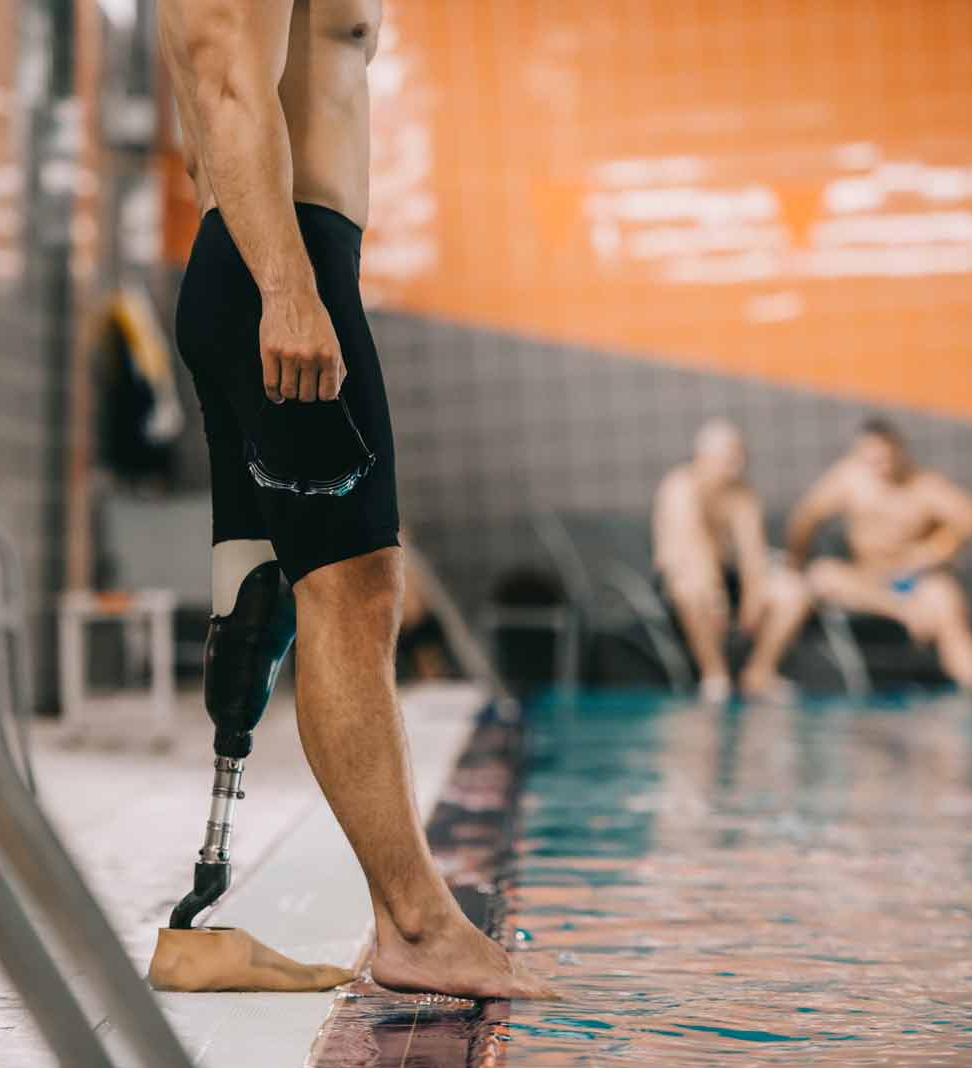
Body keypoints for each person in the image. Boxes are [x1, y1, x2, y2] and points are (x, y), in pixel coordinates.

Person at [157, 0, 552, 999]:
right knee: (359, 589)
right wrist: (287, 289)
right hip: (277, 264)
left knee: (273, 598)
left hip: (267, 256)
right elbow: (222, 77)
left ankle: (214, 912)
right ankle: (415, 924)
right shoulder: (283, 280)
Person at [786, 418, 972, 693]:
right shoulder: (849, 479)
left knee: (947, 603)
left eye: (885, 459)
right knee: (823, 575)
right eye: (872, 460)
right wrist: (795, 561)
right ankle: (907, 613)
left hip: (914, 579)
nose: (880, 467)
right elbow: (805, 517)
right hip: (870, 578)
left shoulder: (923, 485)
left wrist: (936, 549)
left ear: (900, 452)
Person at [653, 420, 812, 702]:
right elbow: (693, 546)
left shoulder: (741, 493)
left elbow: (753, 551)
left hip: (727, 576)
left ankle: (759, 672)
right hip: (684, 576)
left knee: (793, 591)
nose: (738, 466)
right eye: (729, 459)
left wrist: (755, 594)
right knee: (692, 587)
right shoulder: (680, 486)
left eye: (741, 458)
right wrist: (715, 594)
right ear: (704, 458)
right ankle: (715, 675)